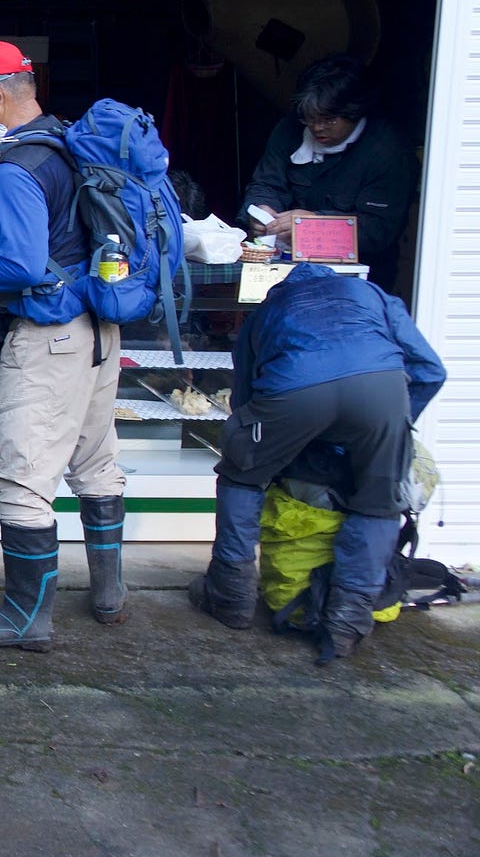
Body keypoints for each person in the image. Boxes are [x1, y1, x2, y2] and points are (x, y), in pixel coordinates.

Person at [0, 39, 128, 650]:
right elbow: (63, 230)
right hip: (99, 329)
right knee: (95, 462)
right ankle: (109, 595)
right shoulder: (64, 143)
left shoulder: (15, 168)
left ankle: (26, 617)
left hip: (49, 338)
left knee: (22, 477)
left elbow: (21, 265)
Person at [188, 263, 445, 662]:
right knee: (379, 503)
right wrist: (393, 430)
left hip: (295, 389)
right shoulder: (371, 294)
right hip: (381, 390)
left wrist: (275, 447)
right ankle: (345, 625)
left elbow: (244, 401)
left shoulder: (270, 310)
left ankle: (231, 598)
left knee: (241, 476)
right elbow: (430, 370)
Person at [242, 54, 414, 291]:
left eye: (329, 120)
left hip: (360, 279)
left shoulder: (387, 151)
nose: (317, 127)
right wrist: (261, 208)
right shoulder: (289, 130)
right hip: (286, 267)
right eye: (309, 118)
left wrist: (314, 225)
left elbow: (379, 229)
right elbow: (266, 183)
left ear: (354, 112)